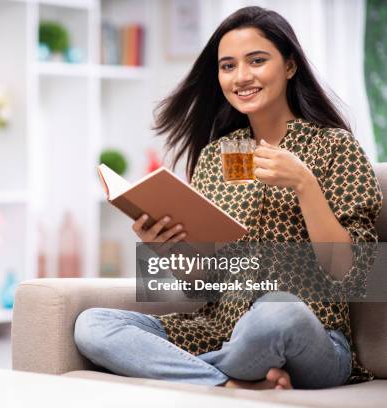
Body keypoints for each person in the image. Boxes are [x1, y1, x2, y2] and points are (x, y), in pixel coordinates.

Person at [74, 6, 382, 390]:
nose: (241, 77)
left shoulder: (334, 147)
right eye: (228, 66)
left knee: (276, 312)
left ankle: (196, 374)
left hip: (311, 336)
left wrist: (305, 186)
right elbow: (204, 282)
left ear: (289, 66)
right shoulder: (218, 155)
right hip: (216, 331)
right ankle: (230, 383)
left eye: (256, 61)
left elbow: (354, 275)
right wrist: (167, 248)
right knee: (93, 326)